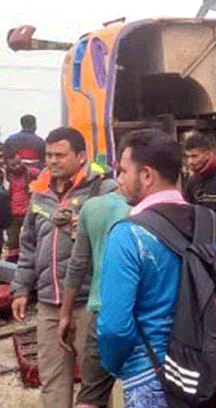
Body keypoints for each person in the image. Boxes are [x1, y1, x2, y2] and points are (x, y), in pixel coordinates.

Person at [97, 129, 216, 408]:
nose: (119, 180)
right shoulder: (215, 225)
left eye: (123, 171)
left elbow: (114, 327)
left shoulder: (127, 235)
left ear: (147, 175)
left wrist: (117, 366)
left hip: (152, 374)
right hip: (210, 370)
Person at [11, 127, 115, 408]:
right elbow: (29, 246)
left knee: (97, 383)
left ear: (81, 156)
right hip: (48, 304)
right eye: (48, 155)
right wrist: (21, 289)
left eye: (60, 155)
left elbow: (118, 237)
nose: (52, 161)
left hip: (88, 303)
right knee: (52, 382)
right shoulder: (40, 194)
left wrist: (82, 224)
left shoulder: (103, 189)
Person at [58, 189, 130, 408]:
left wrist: (65, 313)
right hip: (149, 315)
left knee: (90, 397)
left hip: (104, 312)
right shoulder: (161, 208)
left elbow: (78, 263)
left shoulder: (92, 207)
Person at [4, 146, 40, 261]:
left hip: (28, 214)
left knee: (30, 242)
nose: (17, 167)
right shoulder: (6, 177)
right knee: (13, 244)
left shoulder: (31, 173)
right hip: (12, 215)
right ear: (8, 166)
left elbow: (44, 180)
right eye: (13, 165)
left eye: (18, 163)